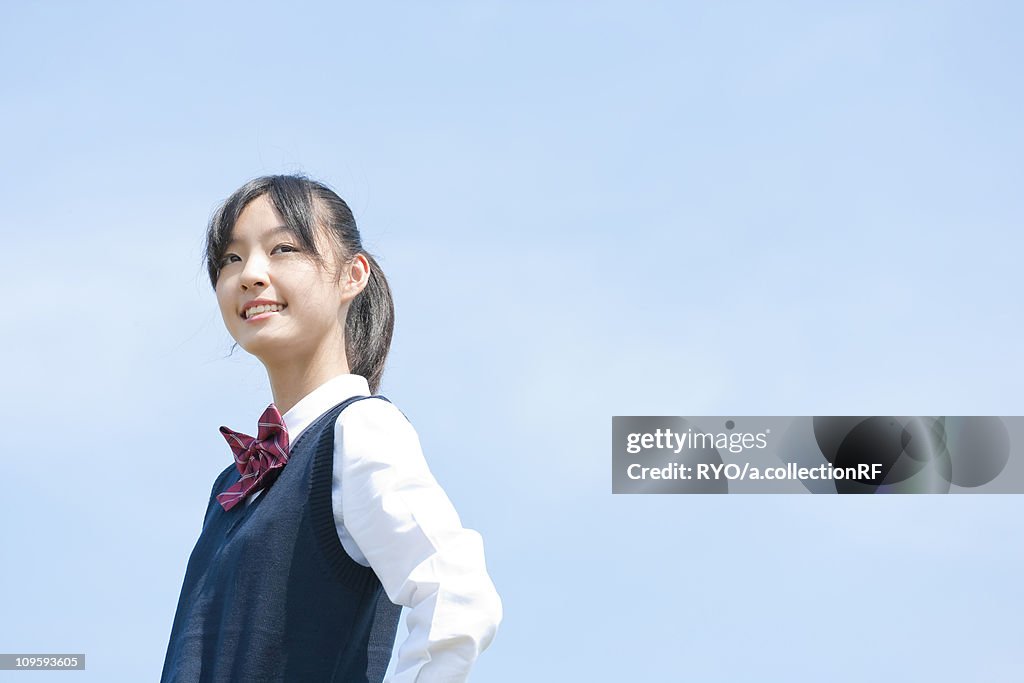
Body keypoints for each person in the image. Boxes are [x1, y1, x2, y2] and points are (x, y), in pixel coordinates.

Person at [160, 174, 502, 682]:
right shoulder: (230, 486)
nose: (251, 273)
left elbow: (458, 596)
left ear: (351, 276)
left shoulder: (360, 431)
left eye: (282, 249)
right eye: (231, 258)